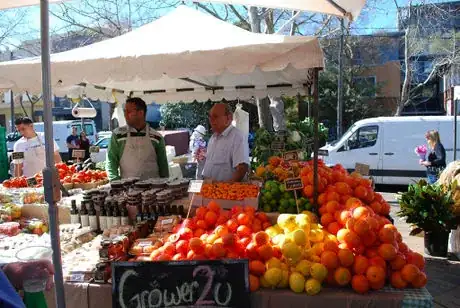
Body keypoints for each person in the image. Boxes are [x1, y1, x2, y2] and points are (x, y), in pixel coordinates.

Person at [107, 97, 169, 181]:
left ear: (140, 113)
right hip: (127, 188)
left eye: (129, 112)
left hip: (154, 188)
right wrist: (115, 182)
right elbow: (111, 161)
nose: (125, 115)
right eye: (125, 111)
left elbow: (163, 165)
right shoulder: (118, 135)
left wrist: (165, 184)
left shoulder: (156, 137)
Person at [202, 103, 249, 182]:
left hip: (224, 192)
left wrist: (226, 189)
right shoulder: (212, 138)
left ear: (229, 117)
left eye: (215, 116)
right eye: (210, 117)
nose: (211, 120)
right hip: (209, 190)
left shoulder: (237, 137)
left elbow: (241, 169)